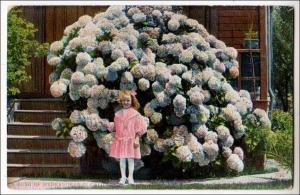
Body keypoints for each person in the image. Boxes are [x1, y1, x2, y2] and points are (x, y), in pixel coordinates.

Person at [105, 90, 148, 185]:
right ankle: (123, 177)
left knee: (130, 159)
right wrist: (109, 125)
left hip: (130, 140)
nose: (126, 102)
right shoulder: (118, 114)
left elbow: (139, 128)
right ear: (121, 101)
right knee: (122, 159)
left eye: (128, 100)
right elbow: (116, 127)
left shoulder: (135, 114)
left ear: (132, 101)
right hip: (120, 140)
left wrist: (136, 138)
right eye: (124, 100)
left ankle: (131, 177)